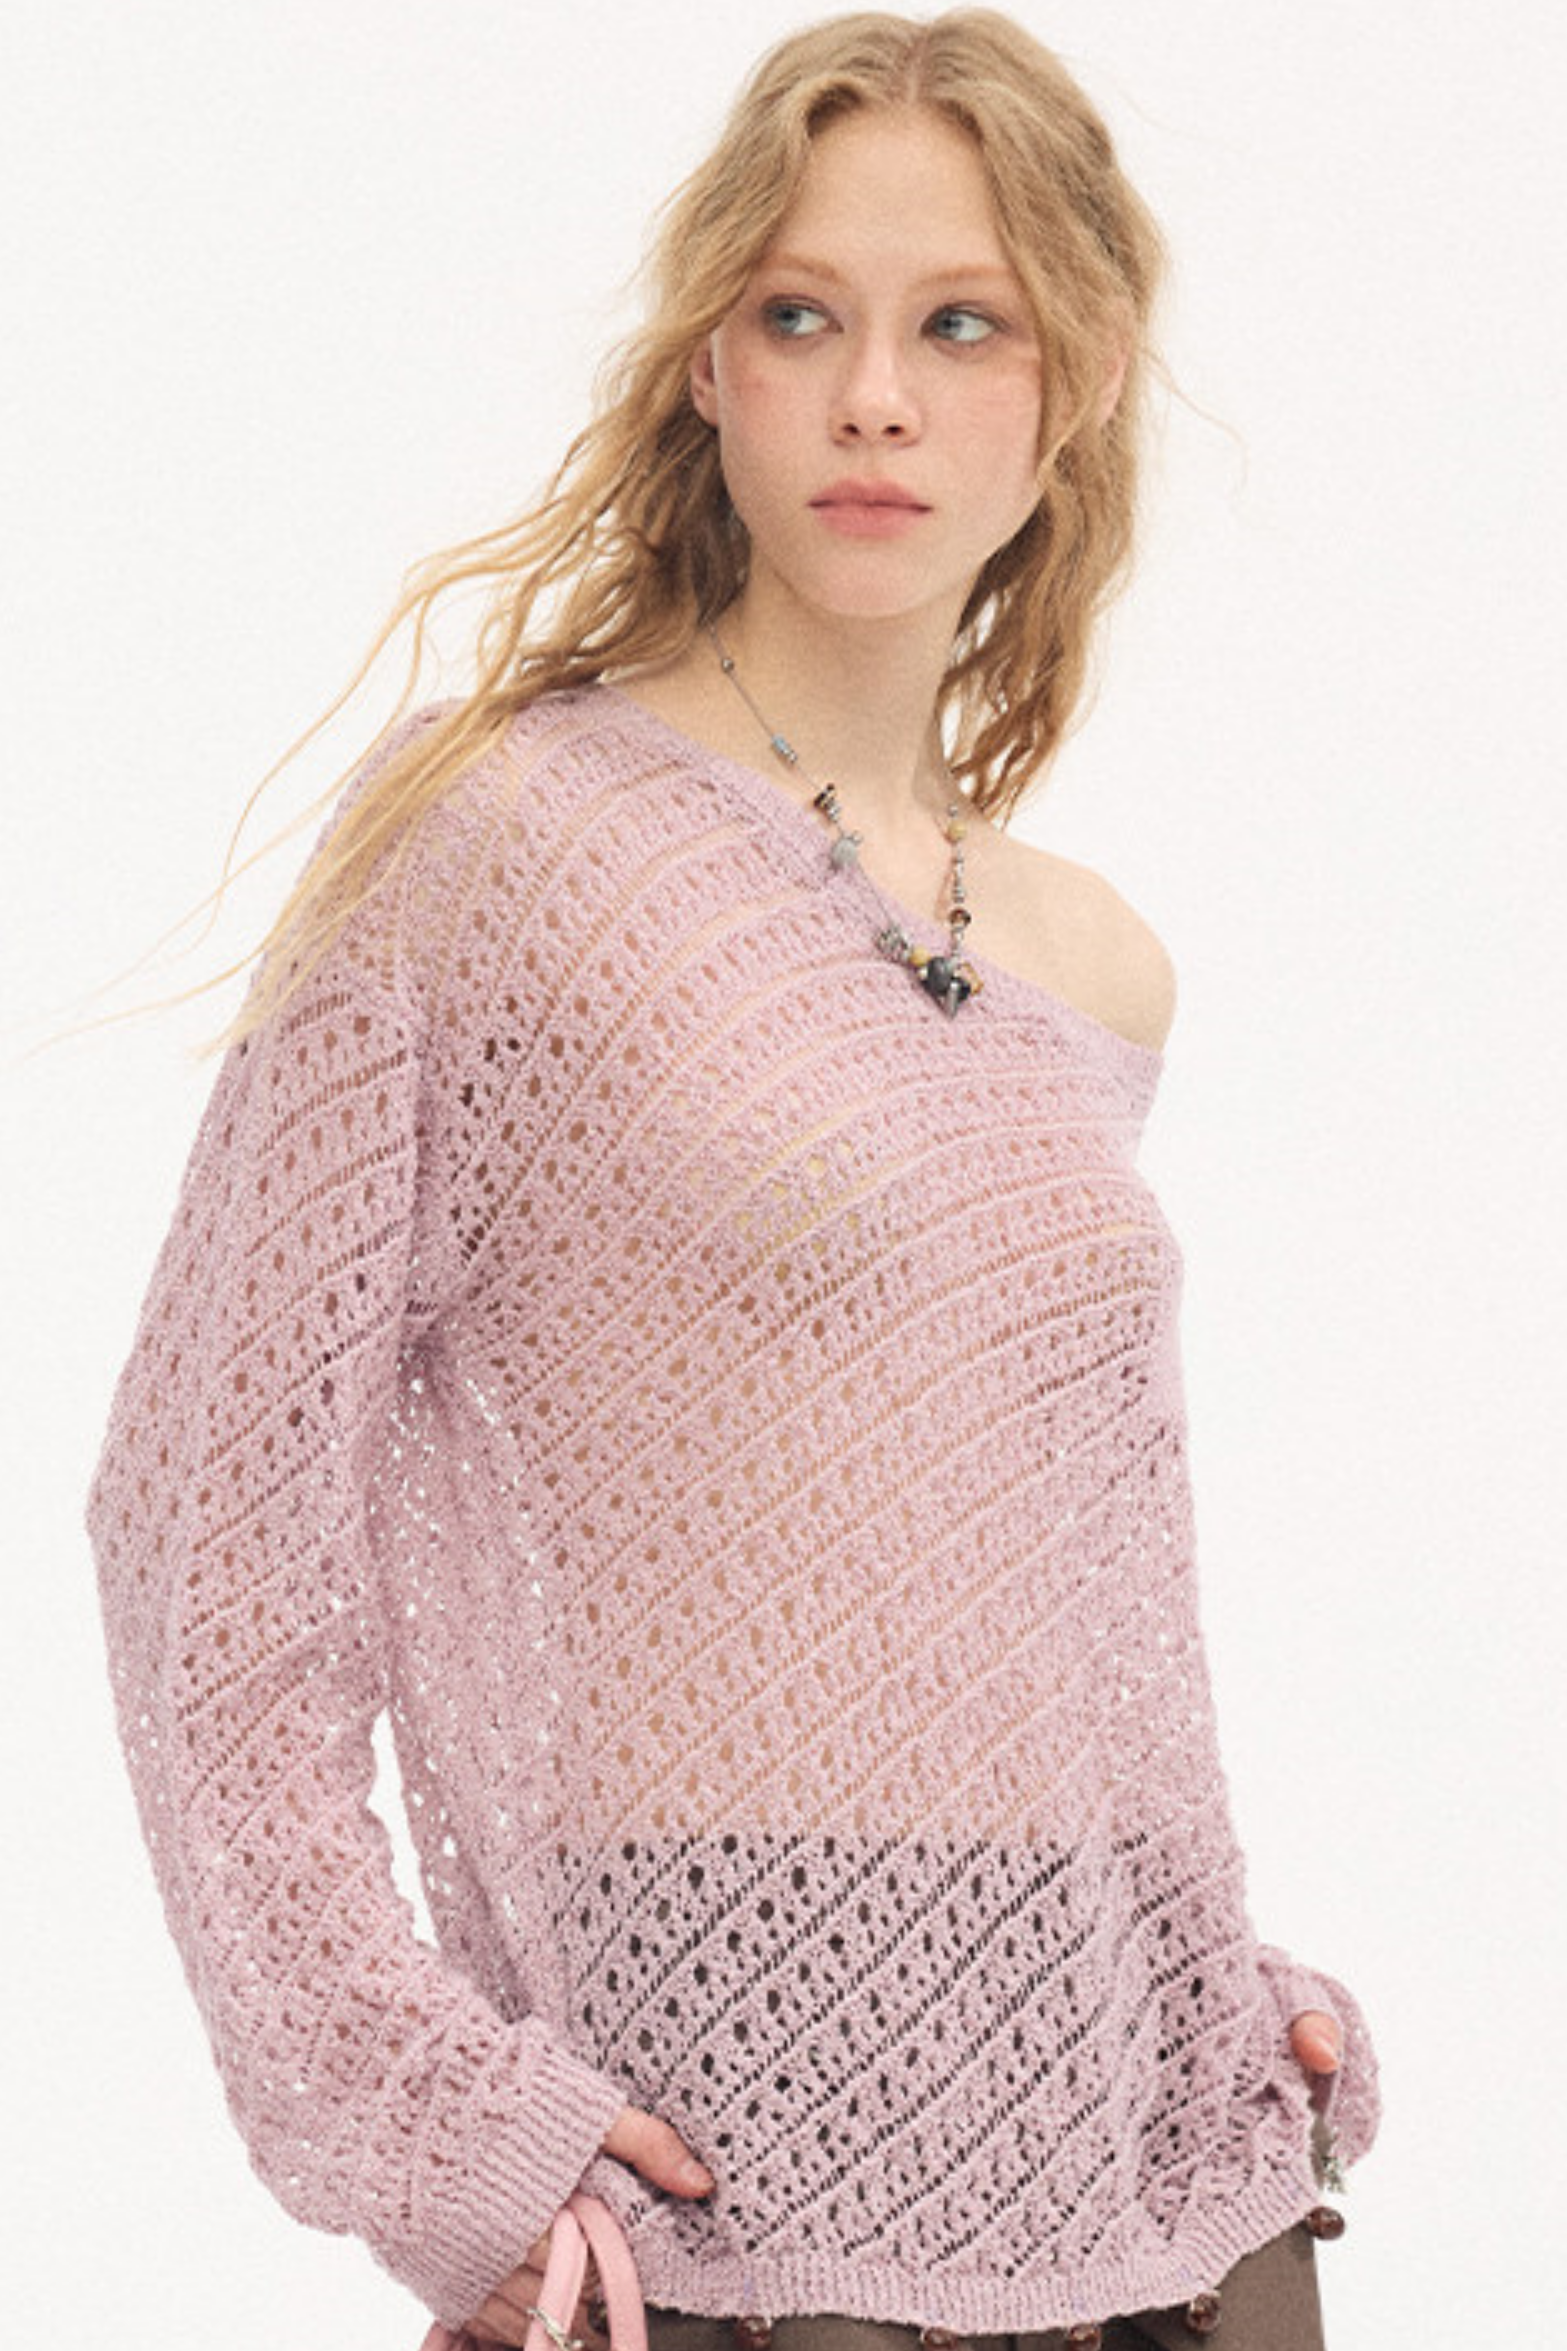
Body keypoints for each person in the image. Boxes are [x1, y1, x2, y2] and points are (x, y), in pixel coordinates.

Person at [87, 12, 1380, 2351]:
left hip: (1157, 2166)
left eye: (961, 324)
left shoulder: (1096, 957)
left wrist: (1207, 1972)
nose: (876, 396)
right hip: (717, 2164)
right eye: (802, 316)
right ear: (711, 367)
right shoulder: (497, 830)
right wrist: (415, 2108)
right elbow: (204, 1524)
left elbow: (1038, 1597)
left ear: (1073, 386)